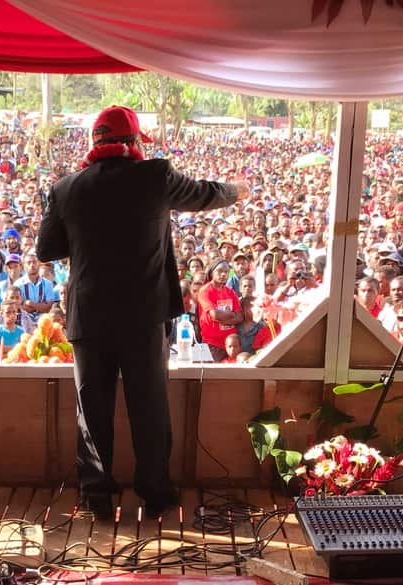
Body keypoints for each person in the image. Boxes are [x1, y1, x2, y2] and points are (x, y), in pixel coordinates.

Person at [37, 104, 247, 521]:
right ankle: (155, 495)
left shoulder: (66, 188)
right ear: (133, 143)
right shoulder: (155, 177)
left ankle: (97, 497)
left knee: (91, 411)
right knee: (149, 406)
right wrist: (237, 189)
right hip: (143, 317)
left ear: (94, 142)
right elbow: (204, 193)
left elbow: (47, 249)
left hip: (89, 318)